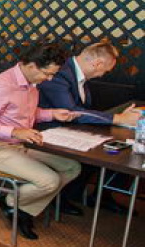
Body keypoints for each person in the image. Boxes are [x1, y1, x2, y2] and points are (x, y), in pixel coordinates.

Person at [0, 41, 81, 240]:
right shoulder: (3, 84)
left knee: (72, 167)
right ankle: (11, 202)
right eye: (47, 74)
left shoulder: (31, 84)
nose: (49, 79)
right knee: (50, 180)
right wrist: (15, 132)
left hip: (19, 145)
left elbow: (25, 112)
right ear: (31, 66)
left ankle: (20, 205)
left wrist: (52, 114)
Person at [38, 41, 140, 213]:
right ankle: (64, 197)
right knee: (103, 151)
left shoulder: (77, 73)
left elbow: (82, 111)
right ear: (97, 64)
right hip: (48, 130)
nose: (103, 75)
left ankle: (100, 195)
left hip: (71, 128)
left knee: (117, 148)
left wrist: (120, 119)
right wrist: (119, 118)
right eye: (105, 70)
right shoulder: (60, 74)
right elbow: (71, 111)